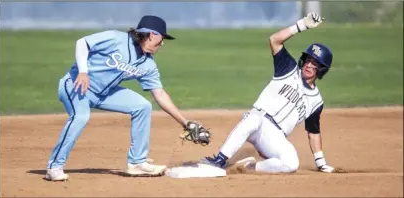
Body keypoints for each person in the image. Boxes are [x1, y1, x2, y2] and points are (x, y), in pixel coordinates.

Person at [46, 15, 203, 181]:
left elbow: (160, 93)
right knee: (81, 116)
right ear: (151, 35)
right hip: (75, 85)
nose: (162, 43)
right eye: (162, 37)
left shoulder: (147, 64)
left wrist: (185, 122)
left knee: (142, 106)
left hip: (104, 93)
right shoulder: (116, 38)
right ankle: (54, 166)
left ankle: (137, 162)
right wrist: (83, 72)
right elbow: (82, 43)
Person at [202, 12, 336, 174]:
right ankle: (219, 160)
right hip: (259, 119)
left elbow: (313, 132)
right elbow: (274, 40)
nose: (308, 65)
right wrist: (302, 25)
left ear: (321, 70)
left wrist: (321, 162)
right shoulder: (288, 69)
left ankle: (250, 168)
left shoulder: (316, 101)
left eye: (315, 64)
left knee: (291, 164)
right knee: (252, 119)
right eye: (308, 60)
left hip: (275, 136)